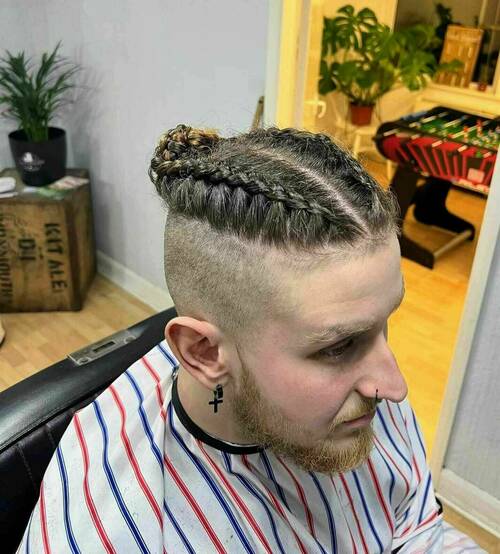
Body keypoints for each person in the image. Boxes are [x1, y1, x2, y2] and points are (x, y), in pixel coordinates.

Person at [17, 126, 485, 553]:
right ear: (204, 353)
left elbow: (416, 529)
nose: (396, 387)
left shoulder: (360, 394)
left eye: (385, 323)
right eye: (338, 347)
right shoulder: (107, 531)